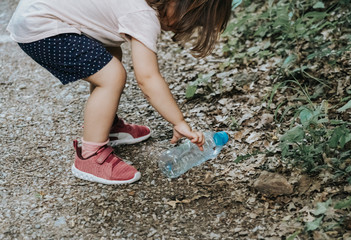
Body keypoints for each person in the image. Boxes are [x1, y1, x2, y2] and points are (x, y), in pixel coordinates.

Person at [7, 0, 232, 184]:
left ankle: (106, 126)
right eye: (192, 21)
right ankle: (90, 156)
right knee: (111, 75)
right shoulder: (143, 15)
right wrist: (179, 121)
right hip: (41, 26)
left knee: (110, 57)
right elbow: (148, 78)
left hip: (38, 15)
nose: (186, 27)